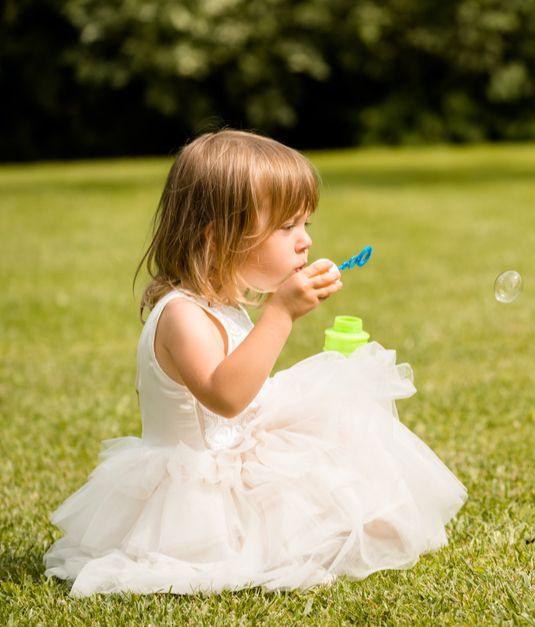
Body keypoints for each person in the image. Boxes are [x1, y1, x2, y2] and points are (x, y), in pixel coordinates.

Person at [44, 129, 467, 595]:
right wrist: (281, 313)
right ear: (218, 236)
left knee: (342, 417)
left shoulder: (225, 303)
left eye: (305, 224)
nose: (304, 241)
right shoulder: (182, 316)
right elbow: (225, 396)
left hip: (239, 455)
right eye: (287, 228)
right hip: (195, 495)